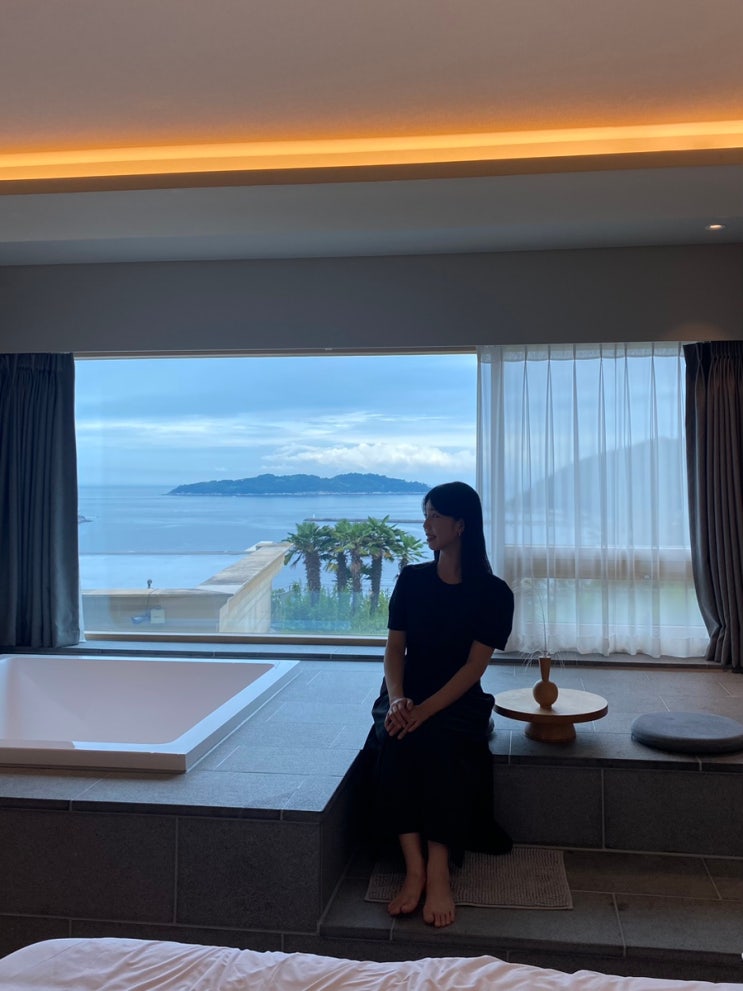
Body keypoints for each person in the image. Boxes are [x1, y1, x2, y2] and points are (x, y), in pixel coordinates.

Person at [363, 481, 514, 929]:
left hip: (457, 695)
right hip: (405, 688)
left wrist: (426, 710)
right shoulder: (411, 580)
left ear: (460, 525)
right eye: (425, 515)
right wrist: (398, 699)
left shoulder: (494, 593)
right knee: (397, 736)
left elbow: (474, 667)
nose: (425, 524)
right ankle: (414, 868)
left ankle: (439, 869)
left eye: (434, 516)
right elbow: (394, 650)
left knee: (440, 742)